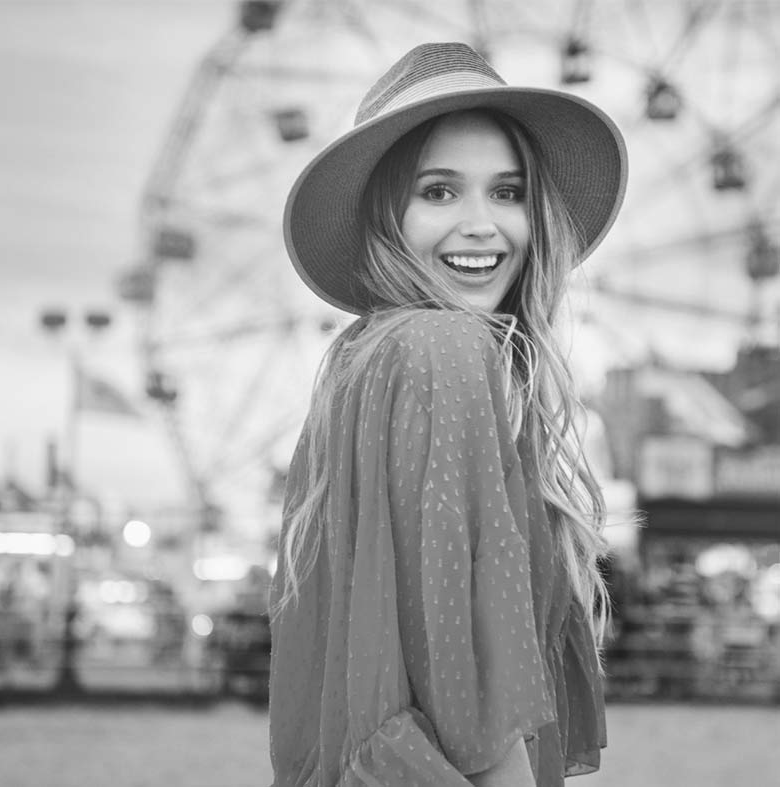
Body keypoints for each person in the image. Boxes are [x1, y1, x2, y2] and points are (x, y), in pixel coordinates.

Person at [268, 42, 628, 787]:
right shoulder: (446, 350)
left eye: (507, 192)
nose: (480, 225)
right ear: (384, 214)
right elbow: (467, 670)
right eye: (437, 191)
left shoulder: (358, 362)